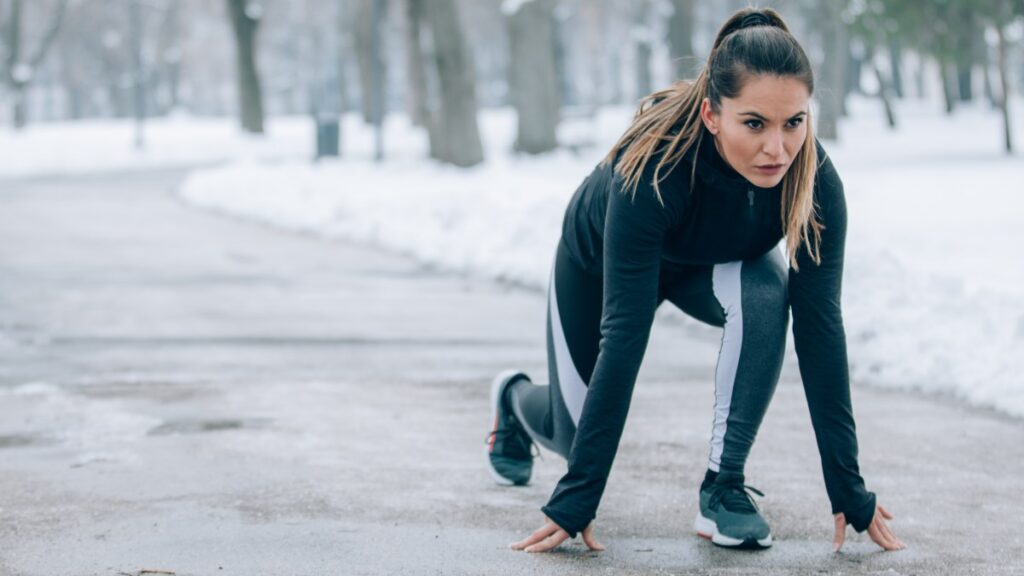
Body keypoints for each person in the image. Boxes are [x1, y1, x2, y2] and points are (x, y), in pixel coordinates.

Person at [485, 7, 906, 554]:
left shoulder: (814, 183)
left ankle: (724, 486)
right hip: (598, 269)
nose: (777, 148)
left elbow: (820, 327)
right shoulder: (654, 172)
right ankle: (514, 399)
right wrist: (578, 495)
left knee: (766, 291)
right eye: (754, 123)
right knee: (573, 436)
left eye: (794, 122)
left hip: (705, 268)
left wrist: (846, 485)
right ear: (712, 115)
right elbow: (625, 334)